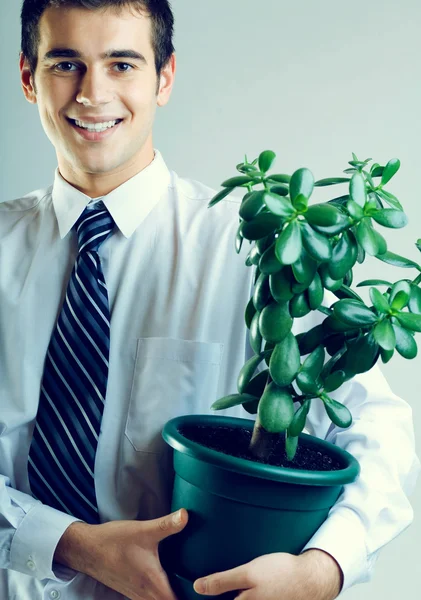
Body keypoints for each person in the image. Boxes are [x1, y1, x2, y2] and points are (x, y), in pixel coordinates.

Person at [0, 0, 419, 599]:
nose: (91, 94)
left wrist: (323, 568)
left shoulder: (254, 249)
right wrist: (71, 543)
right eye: (66, 64)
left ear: (164, 77)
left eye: (122, 65)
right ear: (27, 76)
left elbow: (378, 426)